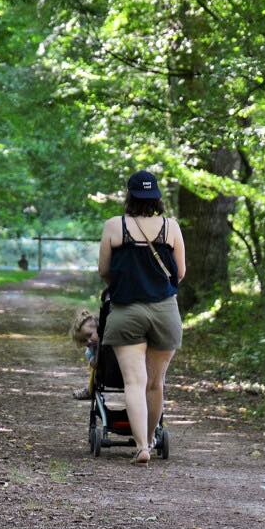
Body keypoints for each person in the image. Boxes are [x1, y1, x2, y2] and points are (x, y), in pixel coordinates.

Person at [98, 169, 185, 464]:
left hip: (126, 310)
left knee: (134, 382)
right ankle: (150, 438)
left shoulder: (114, 226)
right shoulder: (171, 227)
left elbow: (104, 271)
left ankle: (141, 448)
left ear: (129, 196)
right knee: (155, 383)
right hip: (164, 310)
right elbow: (180, 273)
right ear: (157, 197)